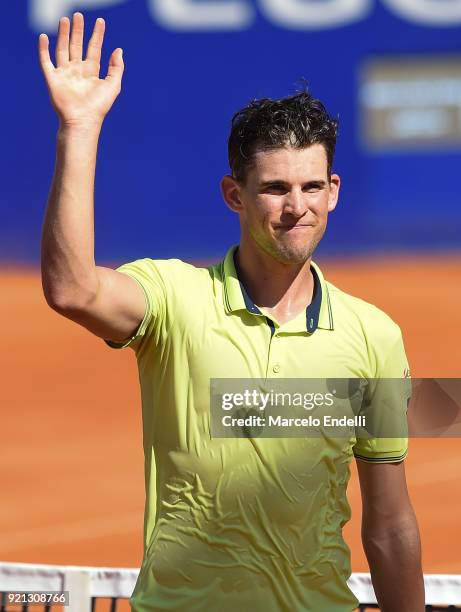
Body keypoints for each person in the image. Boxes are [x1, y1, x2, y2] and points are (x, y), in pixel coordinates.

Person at [38, 12, 425, 611]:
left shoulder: (374, 335)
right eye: (275, 189)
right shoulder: (174, 298)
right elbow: (72, 289)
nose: (297, 206)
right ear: (234, 195)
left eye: (312, 187)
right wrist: (80, 128)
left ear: (335, 190)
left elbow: (391, 524)